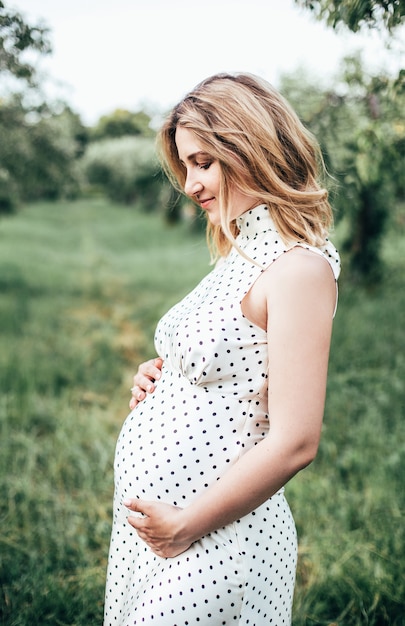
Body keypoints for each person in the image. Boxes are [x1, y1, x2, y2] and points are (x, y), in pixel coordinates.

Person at [103, 72, 340, 626]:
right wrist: (165, 378)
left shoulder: (298, 269)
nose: (190, 184)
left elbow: (296, 442)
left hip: (218, 540)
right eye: (186, 165)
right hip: (161, 534)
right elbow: (233, 363)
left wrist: (186, 523)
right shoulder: (238, 254)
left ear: (253, 148)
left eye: (204, 162)